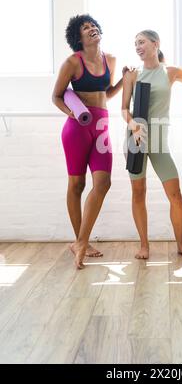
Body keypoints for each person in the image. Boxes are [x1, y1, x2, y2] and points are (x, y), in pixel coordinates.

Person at [52, 14, 125, 269]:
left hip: (102, 125)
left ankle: (81, 241)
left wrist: (124, 81)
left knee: (103, 183)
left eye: (93, 25)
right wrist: (71, 112)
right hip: (77, 127)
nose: (92, 28)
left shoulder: (111, 59)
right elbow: (57, 96)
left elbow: (106, 93)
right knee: (77, 184)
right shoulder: (73, 61)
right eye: (85, 27)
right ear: (78, 37)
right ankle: (79, 240)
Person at [122, 29, 182, 260]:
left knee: (175, 194)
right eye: (135, 44)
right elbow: (124, 109)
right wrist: (133, 124)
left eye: (142, 42)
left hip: (159, 143)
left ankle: (181, 244)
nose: (138, 46)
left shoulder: (171, 72)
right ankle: (144, 245)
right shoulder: (132, 75)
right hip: (136, 139)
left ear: (156, 44)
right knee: (138, 192)